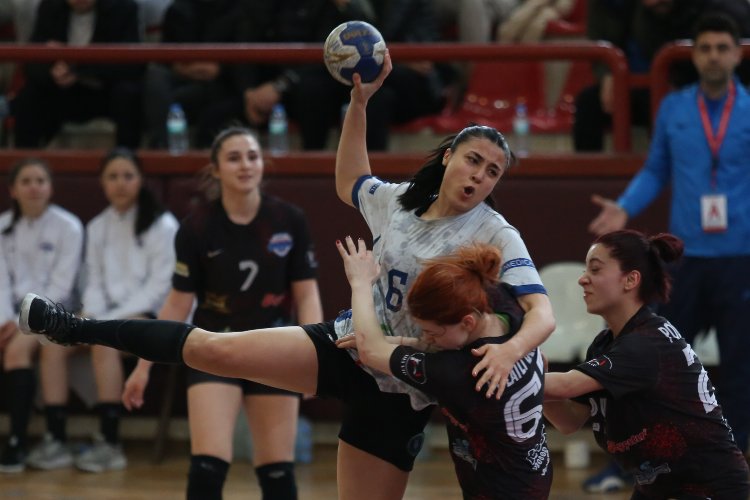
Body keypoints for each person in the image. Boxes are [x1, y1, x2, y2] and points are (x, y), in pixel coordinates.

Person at [17, 51, 554, 500]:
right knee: (212, 349)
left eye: (492, 172)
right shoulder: (401, 201)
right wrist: (358, 104)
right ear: (449, 156)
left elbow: (542, 313)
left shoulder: (495, 232)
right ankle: (74, 326)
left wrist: (511, 349)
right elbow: (351, 179)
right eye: (473, 160)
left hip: (402, 384)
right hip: (348, 343)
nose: (479, 176)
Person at [121, 126, 323, 500]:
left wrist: (315, 358)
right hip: (214, 348)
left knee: (278, 471)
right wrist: (143, 366)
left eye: (252, 156)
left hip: (274, 349)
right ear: (215, 170)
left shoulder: (289, 220)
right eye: (233, 158)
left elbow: (307, 295)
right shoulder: (197, 226)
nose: (245, 165)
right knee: (207, 467)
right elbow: (179, 302)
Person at [588, 12, 750, 460]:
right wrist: (624, 207)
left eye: (722, 48)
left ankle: (731, 458)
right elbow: (656, 168)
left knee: (741, 365)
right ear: (694, 56)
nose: (714, 56)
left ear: (737, 55)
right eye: (705, 48)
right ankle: (646, 455)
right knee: (658, 360)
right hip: (685, 259)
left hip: (741, 257)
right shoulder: (675, 109)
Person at [335, 237, 552, 499]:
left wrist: (360, 282)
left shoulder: (459, 373)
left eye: (433, 333)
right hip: (532, 472)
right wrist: (399, 341)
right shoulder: (506, 307)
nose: (427, 339)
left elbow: (371, 351)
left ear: (468, 322)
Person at [543, 229, 750, 498]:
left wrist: (513, 371)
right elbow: (570, 420)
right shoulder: (606, 344)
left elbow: (566, 386)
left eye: (595, 269)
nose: (583, 279)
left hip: (705, 484)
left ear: (631, 280)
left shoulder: (644, 344)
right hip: (659, 484)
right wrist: (538, 381)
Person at [29, 148, 178, 473]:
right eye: (113, 176)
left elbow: (158, 289)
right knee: (53, 343)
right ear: (102, 182)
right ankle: (55, 439)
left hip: (149, 315)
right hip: (104, 314)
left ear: (140, 180)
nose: (120, 183)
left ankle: (109, 443)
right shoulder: (97, 227)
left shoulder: (163, 226)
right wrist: (95, 317)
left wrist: (106, 323)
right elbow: (93, 282)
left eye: (128, 176)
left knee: (103, 344)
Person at [0, 158, 84, 473]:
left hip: (57, 312)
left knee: (17, 351)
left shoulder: (69, 226)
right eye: (26, 181)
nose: (34, 187)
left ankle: (17, 440)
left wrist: (22, 322)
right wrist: (6, 320)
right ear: (13, 189)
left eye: (40, 181)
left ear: (50, 188)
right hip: (9, 316)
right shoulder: (2, 226)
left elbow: (62, 287)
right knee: (15, 344)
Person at [8, 0, 144, 149]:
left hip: (104, 91)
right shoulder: (50, 7)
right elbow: (32, 62)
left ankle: (126, 157)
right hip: (62, 92)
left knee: (128, 93)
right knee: (29, 95)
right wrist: (52, 69)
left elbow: (132, 65)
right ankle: (25, 160)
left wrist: (78, 69)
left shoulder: (123, 8)